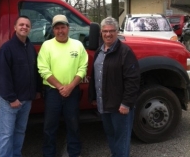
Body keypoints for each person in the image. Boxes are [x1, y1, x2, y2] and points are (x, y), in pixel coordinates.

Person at [88, 17, 140, 157]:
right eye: (105, 31)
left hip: (120, 107)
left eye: (111, 31)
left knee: (122, 139)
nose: (108, 34)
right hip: (104, 105)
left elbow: (133, 80)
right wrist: (93, 97)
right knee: (111, 135)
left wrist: (126, 103)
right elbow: (95, 76)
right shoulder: (99, 51)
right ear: (101, 33)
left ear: (117, 32)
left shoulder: (125, 52)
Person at [37, 14, 88, 157]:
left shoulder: (78, 45)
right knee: (49, 126)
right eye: (57, 28)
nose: (60, 31)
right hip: (53, 92)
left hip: (72, 92)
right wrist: (60, 87)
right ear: (53, 30)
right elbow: (43, 69)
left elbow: (82, 68)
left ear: (68, 28)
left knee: (73, 124)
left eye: (63, 27)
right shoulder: (47, 46)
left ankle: (74, 152)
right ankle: (49, 153)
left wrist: (70, 87)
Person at [0, 16, 41, 157]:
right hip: (10, 102)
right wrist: (11, 98)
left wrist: (37, 90)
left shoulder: (30, 48)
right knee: (6, 135)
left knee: (20, 131)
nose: (24, 27)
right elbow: (2, 77)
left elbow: (35, 71)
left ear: (30, 29)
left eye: (27, 25)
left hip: (26, 100)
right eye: (21, 24)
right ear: (15, 27)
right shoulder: (7, 49)